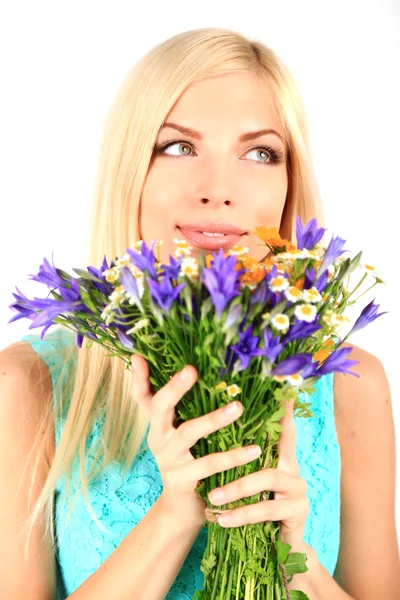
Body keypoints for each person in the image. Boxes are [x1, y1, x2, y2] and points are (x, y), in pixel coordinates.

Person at [1, 27, 399, 600]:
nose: (218, 189)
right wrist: (178, 512)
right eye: (179, 147)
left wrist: (293, 557)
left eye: (259, 153)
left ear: (289, 186)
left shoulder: (353, 382)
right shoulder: (28, 385)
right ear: (129, 171)